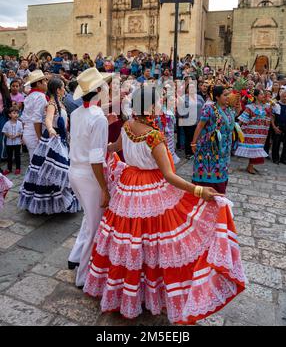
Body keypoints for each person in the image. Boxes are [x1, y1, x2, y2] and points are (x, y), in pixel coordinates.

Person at [83, 85, 246, 324]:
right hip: (150, 190)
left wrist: (91, 148)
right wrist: (199, 190)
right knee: (152, 240)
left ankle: (128, 291)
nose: (160, 106)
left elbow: (115, 148)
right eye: (158, 102)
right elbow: (169, 175)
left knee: (130, 239)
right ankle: (148, 292)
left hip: (128, 187)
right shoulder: (153, 136)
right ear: (148, 106)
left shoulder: (127, 125)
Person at [68, 68, 112, 288]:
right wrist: (104, 188)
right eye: (105, 86)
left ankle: (76, 256)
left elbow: (86, 143)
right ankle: (83, 276)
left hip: (74, 171)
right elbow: (96, 158)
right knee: (94, 225)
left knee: (89, 218)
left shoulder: (77, 114)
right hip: (89, 175)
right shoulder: (98, 118)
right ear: (98, 90)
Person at [18, 78, 81, 215]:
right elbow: (47, 119)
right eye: (63, 87)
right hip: (53, 140)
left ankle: (58, 201)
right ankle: (53, 201)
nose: (65, 89)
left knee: (54, 170)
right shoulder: (51, 104)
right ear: (58, 90)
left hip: (60, 139)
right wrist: (51, 129)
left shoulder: (59, 103)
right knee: (55, 170)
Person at [192, 86, 240, 194]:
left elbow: (236, 115)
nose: (228, 97)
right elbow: (200, 125)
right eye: (225, 95)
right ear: (217, 97)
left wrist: (238, 102)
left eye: (228, 94)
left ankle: (219, 193)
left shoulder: (229, 109)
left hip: (225, 147)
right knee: (209, 169)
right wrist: (194, 143)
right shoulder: (209, 109)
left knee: (222, 170)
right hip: (210, 147)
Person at [235, 89, 272, 174]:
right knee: (254, 149)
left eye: (263, 94)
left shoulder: (266, 106)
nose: (263, 96)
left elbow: (273, 113)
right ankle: (250, 166)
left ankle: (250, 166)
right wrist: (238, 129)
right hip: (251, 132)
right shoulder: (250, 107)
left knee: (257, 149)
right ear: (256, 96)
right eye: (261, 94)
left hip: (261, 133)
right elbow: (243, 119)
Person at [21, 70, 48, 160]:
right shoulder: (40, 96)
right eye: (44, 81)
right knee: (37, 163)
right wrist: (40, 138)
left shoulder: (29, 96)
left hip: (28, 132)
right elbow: (37, 119)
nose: (46, 83)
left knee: (34, 160)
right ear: (38, 84)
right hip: (34, 134)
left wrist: (24, 134)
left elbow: (24, 118)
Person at [2, 107, 23, 175]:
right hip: (9, 143)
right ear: (9, 115)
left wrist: (17, 135)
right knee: (9, 156)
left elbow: (22, 132)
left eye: (17, 113)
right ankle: (9, 169)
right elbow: (4, 131)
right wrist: (9, 135)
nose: (16, 114)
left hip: (17, 143)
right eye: (14, 113)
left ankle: (18, 168)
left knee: (17, 156)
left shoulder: (20, 123)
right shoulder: (7, 123)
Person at [271, 89, 286, 165]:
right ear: (280, 96)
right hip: (278, 126)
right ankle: (275, 158)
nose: (285, 98)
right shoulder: (276, 104)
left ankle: (284, 159)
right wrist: (274, 127)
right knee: (276, 143)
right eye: (283, 96)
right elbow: (272, 117)